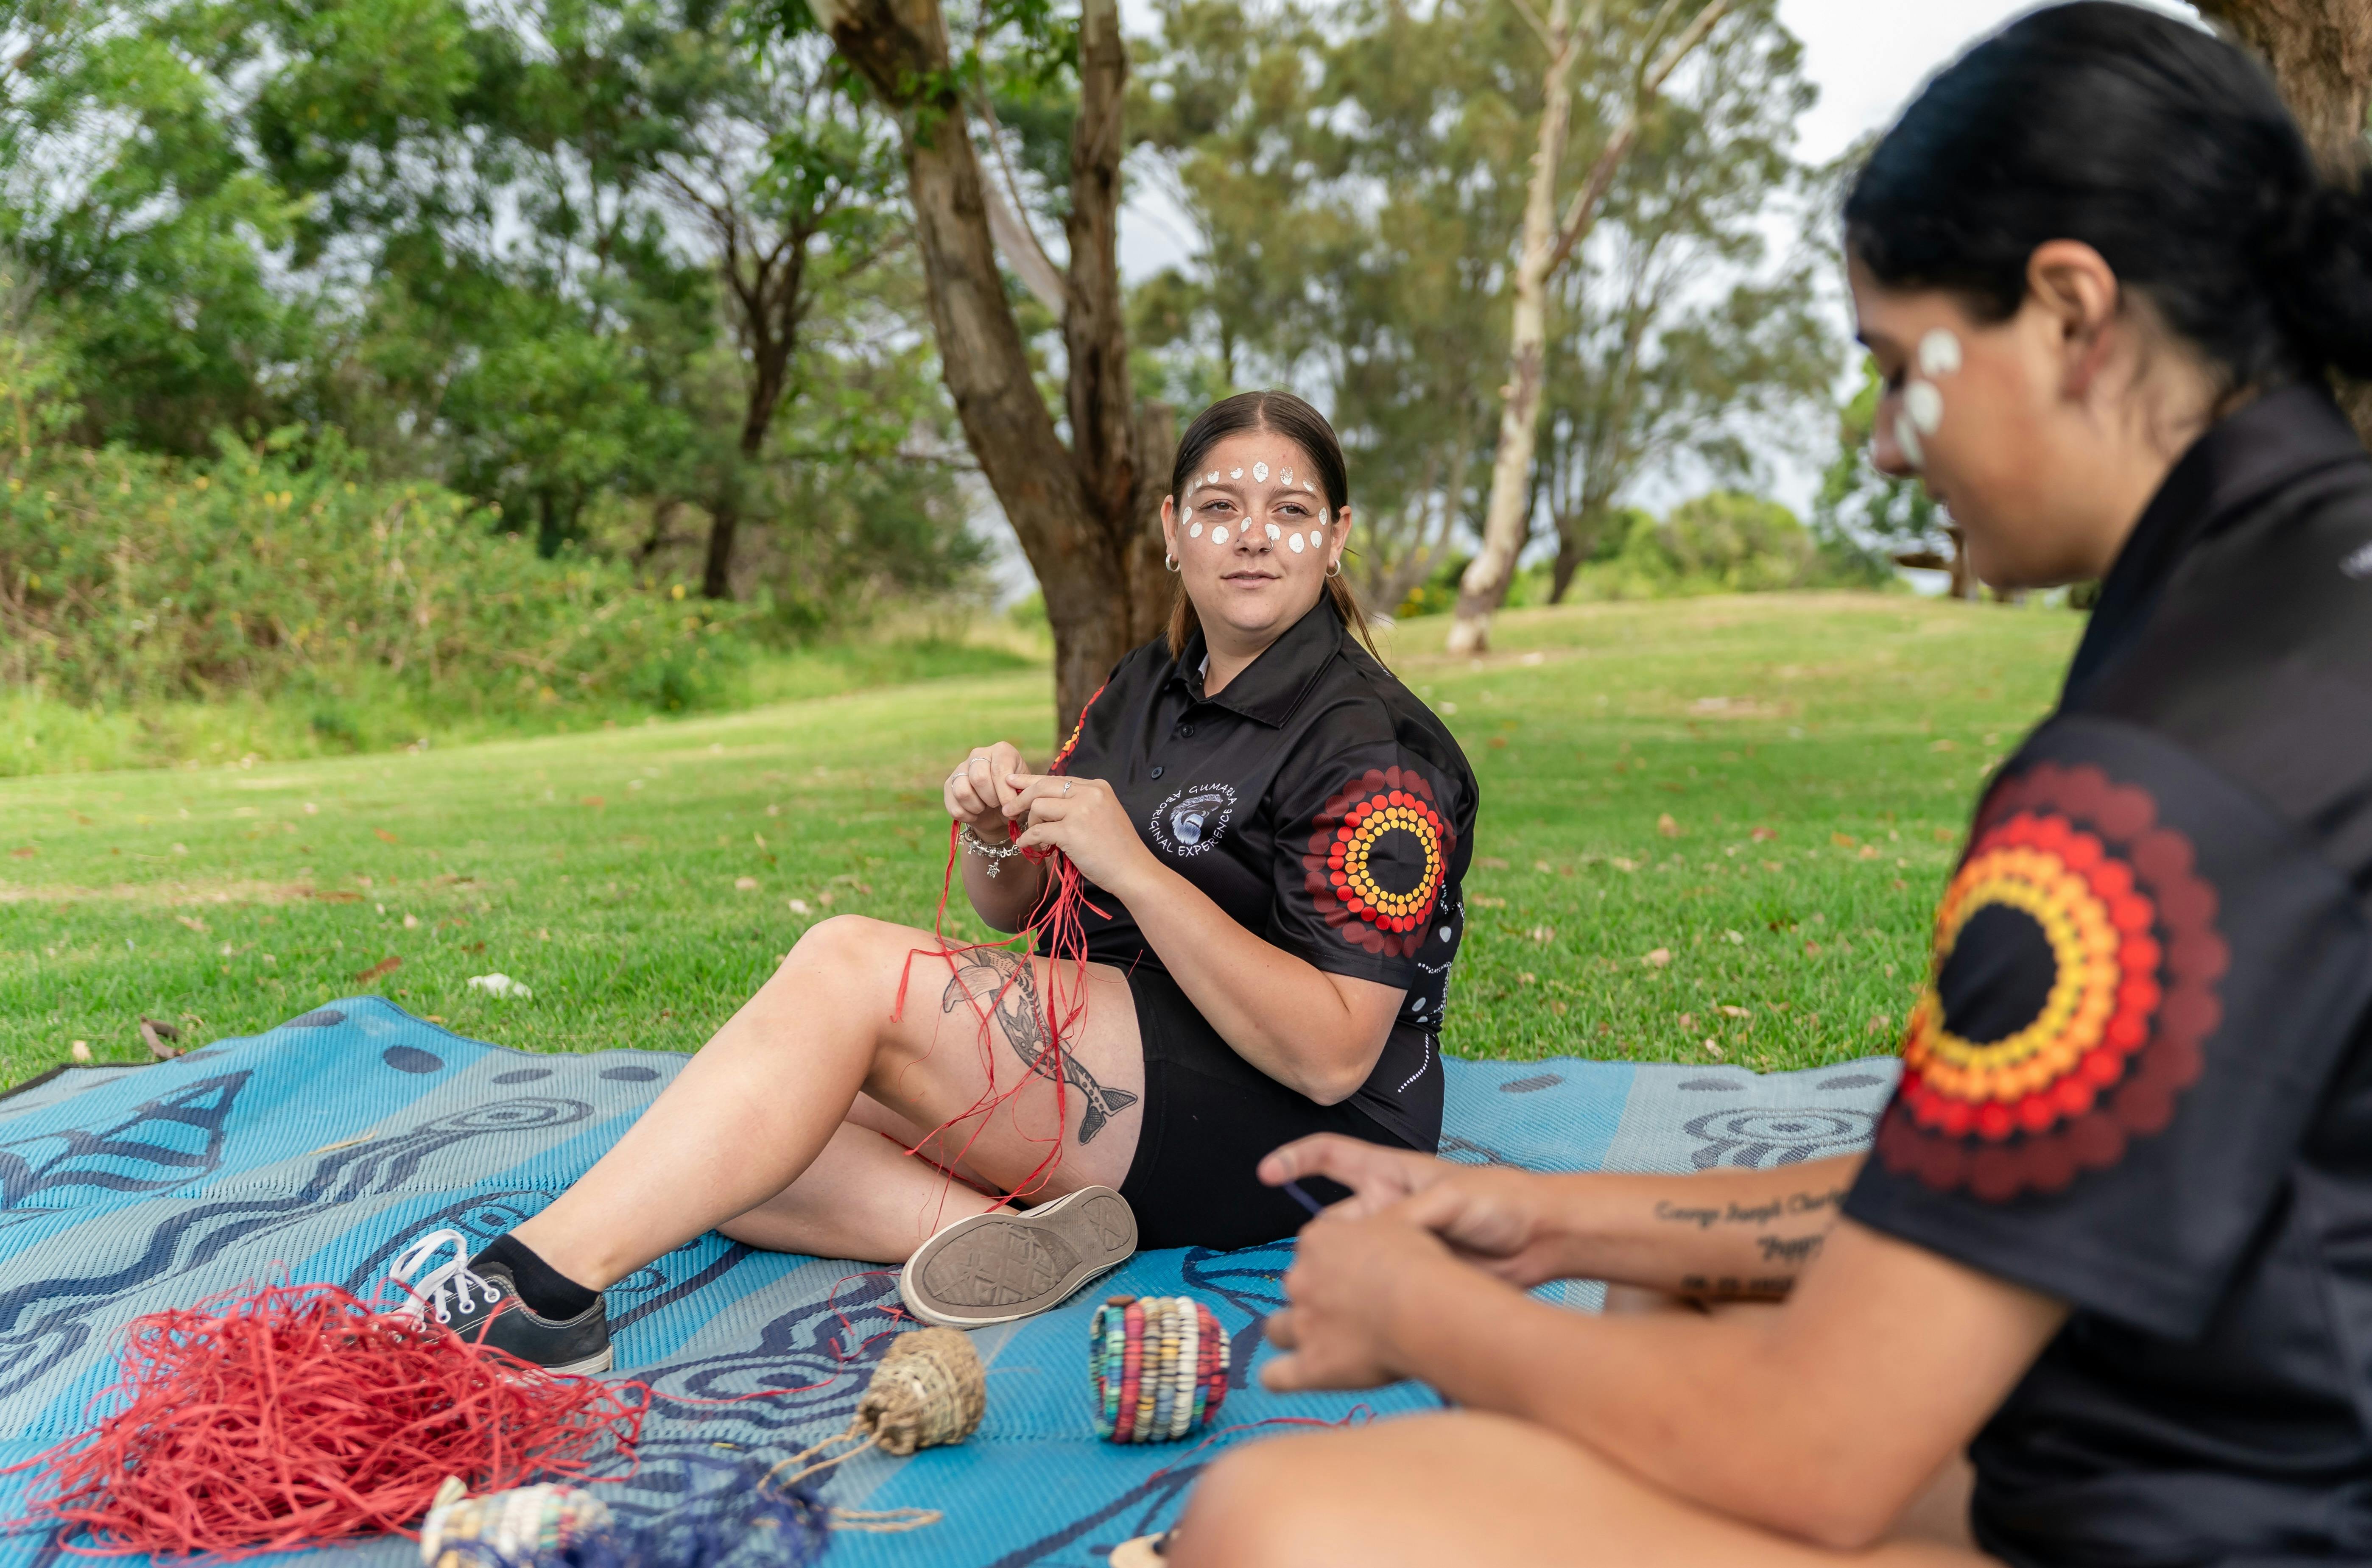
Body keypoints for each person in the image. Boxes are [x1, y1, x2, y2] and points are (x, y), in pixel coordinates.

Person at [1168, 7, 2372, 1565]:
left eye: (1896, 368)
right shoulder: (2305, 595)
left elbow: (1819, 1450)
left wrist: (1427, 1310)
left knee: (1281, 1515)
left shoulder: (2133, 802)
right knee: (1661, 1284)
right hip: (2281, 1402)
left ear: (2072, 309)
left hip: (2255, 1510)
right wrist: (1556, 1218)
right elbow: (2027, 1161)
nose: (1881, 448)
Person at [383, 390, 1478, 1373]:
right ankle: (1001, 1238)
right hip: (1140, 1064)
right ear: (1169, 531)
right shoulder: (1151, 683)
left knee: (850, 971)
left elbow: (1334, 1053)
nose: (1251, 534)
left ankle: (538, 1290)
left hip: (1303, 1131)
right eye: (1218, 505)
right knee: (743, 1129)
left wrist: (1134, 869)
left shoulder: (1372, 747)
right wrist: (1000, 834)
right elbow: (1021, 909)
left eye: (1289, 510)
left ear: (1333, 540)